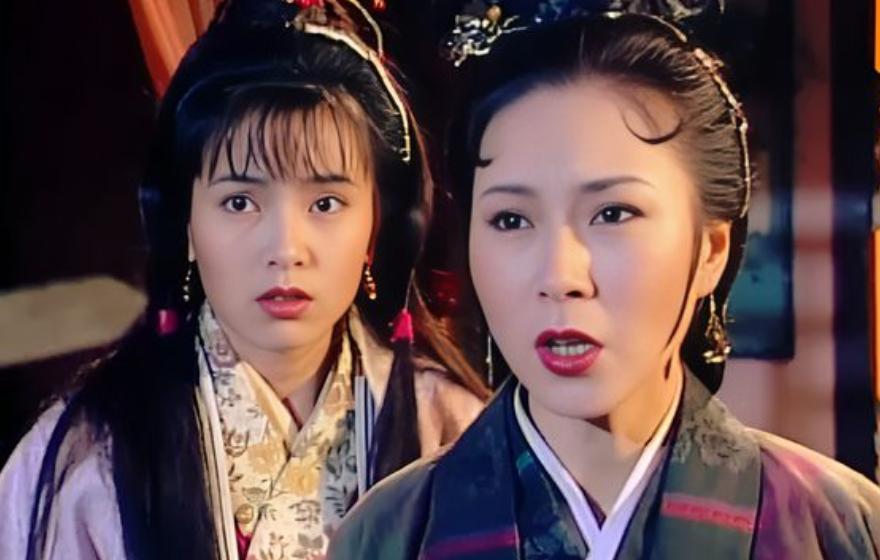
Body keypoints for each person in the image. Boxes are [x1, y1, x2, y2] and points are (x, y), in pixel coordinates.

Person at [329, 7, 880, 559]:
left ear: (712, 249)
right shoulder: (391, 533)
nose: (560, 277)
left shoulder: (839, 528)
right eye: (511, 220)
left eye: (613, 213)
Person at [0, 0, 487, 558]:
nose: (285, 250)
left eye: (326, 203)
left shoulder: (453, 433)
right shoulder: (86, 452)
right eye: (239, 202)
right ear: (185, 223)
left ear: (378, 226)